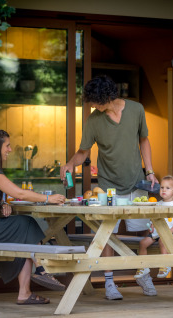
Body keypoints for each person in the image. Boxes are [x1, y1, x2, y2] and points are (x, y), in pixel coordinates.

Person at [60, 75, 159, 300]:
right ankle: (109, 282)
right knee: (106, 233)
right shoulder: (93, 121)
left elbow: (144, 140)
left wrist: (150, 170)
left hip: (136, 181)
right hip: (108, 186)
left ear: (107, 97)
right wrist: (69, 164)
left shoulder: (136, 110)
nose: (93, 106)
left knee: (143, 231)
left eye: (95, 101)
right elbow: (83, 152)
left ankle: (143, 273)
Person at [0, 129, 66, 305]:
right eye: (7, 146)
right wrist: (48, 198)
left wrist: (1, 205)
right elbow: (19, 193)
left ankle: (28, 289)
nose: (10, 149)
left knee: (24, 228)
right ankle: (40, 269)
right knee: (25, 224)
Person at [134, 175, 173, 287]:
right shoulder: (158, 204)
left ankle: (165, 265)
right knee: (143, 243)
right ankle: (143, 267)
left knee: (162, 240)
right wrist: (151, 226)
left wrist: (168, 233)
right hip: (156, 233)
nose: (163, 190)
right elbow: (154, 219)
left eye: (167, 188)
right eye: (162, 187)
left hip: (172, 233)